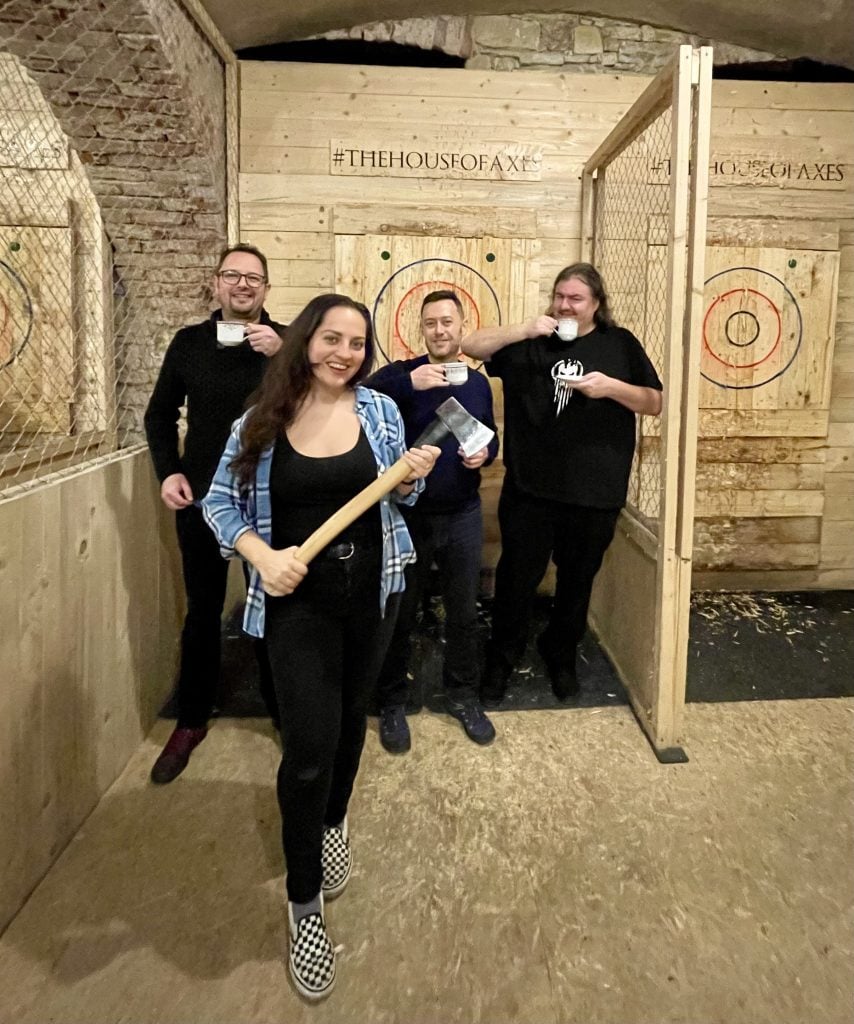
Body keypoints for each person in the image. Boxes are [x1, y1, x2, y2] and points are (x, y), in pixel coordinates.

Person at [202, 293, 439, 1000]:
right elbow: (219, 502)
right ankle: (303, 903)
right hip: (295, 607)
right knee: (307, 749)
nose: (344, 353)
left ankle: (334, 822)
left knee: (348, 731)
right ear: (307, 340)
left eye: (357, 343)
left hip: (376, 593)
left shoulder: (381, 413)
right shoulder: (260, 421)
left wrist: (413, 478)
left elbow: (400, 504)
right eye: (331, 338)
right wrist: (259, 555)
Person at [462, 263, 663, 706]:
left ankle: (561, 653)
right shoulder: (531, 341)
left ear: (596, 304)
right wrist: (524, 327)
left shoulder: (620, 344)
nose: (565, 305)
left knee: (577, 583)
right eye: (559, 296)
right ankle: (502, 657)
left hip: (595, 494)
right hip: (531, 492)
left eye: (576, 298)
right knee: (516, 581)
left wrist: (610, 387)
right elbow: (469, 343)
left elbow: (655, 402)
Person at [144, 244, 284, 785]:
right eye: (233, 275)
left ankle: (282, 709)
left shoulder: (288, 341)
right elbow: (159, 416)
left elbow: (322, 398)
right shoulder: (189, 344)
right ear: (216, 283)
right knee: (202, 609)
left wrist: (282, 351)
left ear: (266, 289)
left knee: (273, 607)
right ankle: (192, 718)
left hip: (269, 499)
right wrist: (168, 473)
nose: (243, 285)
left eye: (254, 278)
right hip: (203, 496)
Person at [365, 290, 499, 752]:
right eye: (430, 324)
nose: (439, 330)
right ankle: (391, 702)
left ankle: (463, 696)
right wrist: (409, 384)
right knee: (399, 614)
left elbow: (490, 437)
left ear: (462, 327)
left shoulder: (478, 384)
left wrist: (485, 454)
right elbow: (358, 397)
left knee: (463, 612)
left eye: (447, 322)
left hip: (462, 513)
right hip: (408, 516)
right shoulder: (402, 375)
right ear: (420, 329)